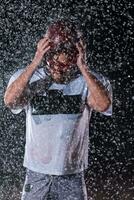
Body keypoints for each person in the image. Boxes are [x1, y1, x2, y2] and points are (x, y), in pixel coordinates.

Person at [4, 20, 112, 200]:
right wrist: (34, 62)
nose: (57, 65)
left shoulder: (89, 83)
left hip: (72, 173)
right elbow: (10, 101)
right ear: (45, 52)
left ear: (74, 55)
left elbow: (103, 105)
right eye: (52, 56)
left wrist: (83, 68)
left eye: (63, 60)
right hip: (36, 172)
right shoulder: (28, 78)